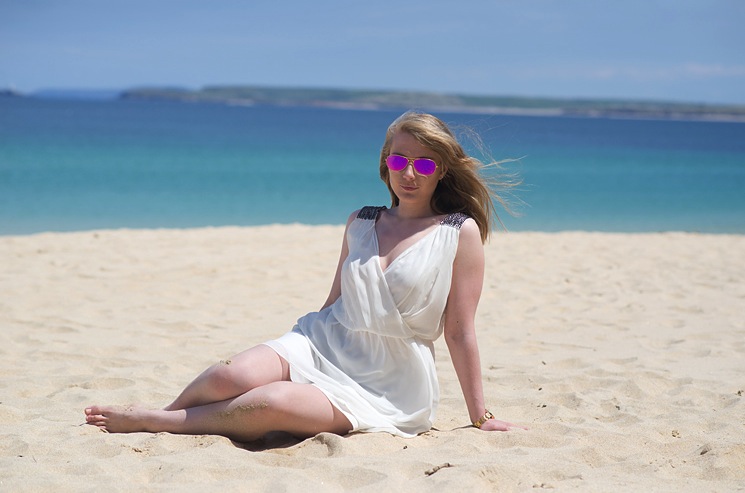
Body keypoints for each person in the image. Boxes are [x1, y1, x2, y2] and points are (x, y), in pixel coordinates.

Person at [84, 110, 525, 442]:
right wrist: (295, 355)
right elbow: (335, 300)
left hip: (390, 380)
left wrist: (480, 415)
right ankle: (168, 410)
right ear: (385, 162)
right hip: (325, 341)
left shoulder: (458, 232)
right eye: (400, 159)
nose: (410, 174)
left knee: (269, 402)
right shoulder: (361, 220)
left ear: (442, 170)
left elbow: (460, 332)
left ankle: (158, 423)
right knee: (227, 376)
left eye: (425, 164)